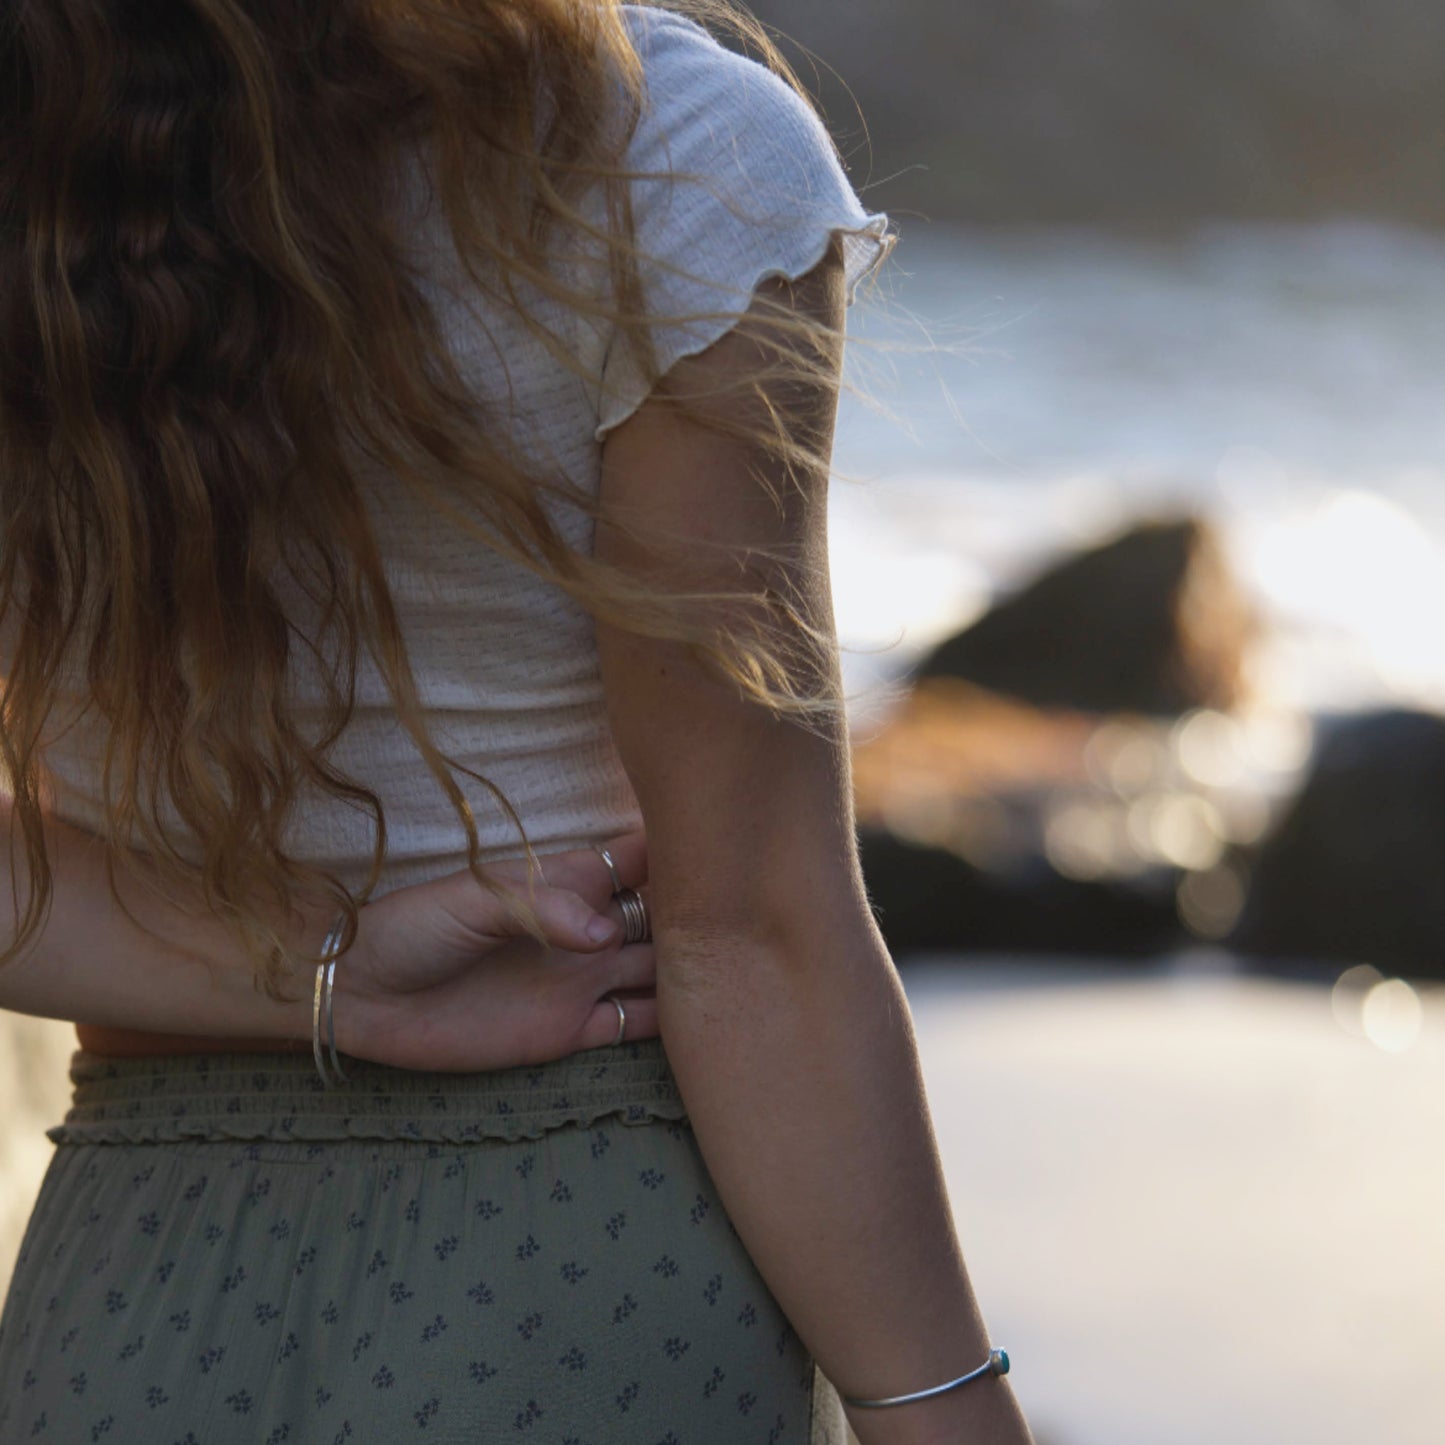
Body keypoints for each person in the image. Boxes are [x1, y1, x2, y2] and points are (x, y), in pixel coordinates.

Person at [0, 2, 1034, 1442]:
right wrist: (943, 1408)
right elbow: (752, 928)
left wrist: (328, 966)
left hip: (129, 1294)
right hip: (580, 1242)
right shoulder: (663, 149)